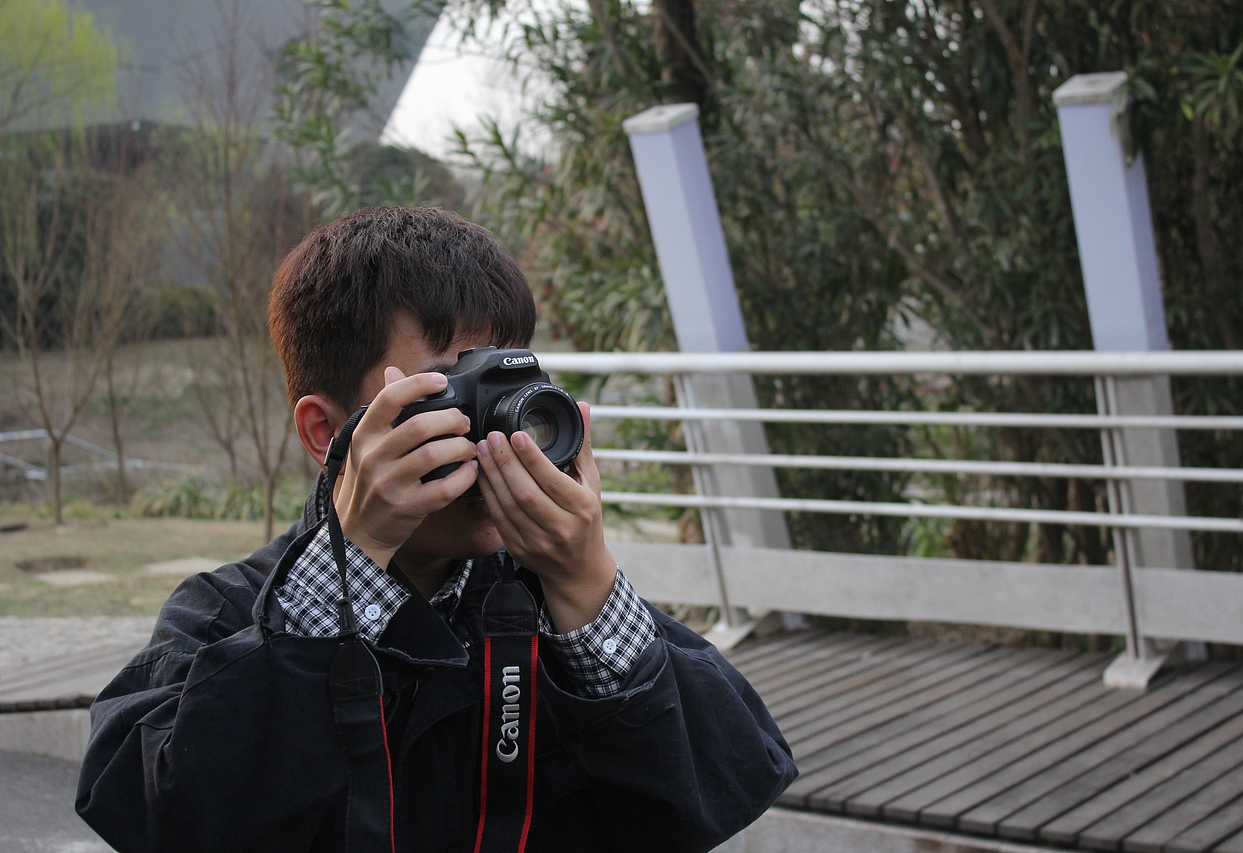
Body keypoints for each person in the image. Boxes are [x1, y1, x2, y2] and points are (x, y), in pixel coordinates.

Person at [76, 206, 796, 852]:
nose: (497, 441)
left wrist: (586, 580)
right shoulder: (229, 614)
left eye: (509, 391)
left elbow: (720, 792)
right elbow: (163, 815)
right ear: (327, 432)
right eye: (453, 398)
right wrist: (346, 569)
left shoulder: (553, 613)